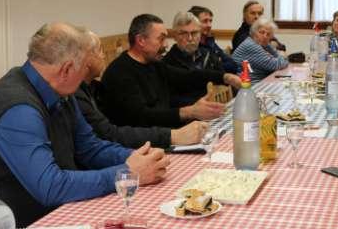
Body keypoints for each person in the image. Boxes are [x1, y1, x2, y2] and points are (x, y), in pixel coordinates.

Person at [0, 22, 170, 227]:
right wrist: (127, 172)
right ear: (67, 69)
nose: (84, 79)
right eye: (85, 67)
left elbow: (90, 148)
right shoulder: (17, 108)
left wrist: (135, 158)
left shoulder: (60, 90)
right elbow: (50, 187)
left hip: (60, 212)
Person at [101, 14, 241, 128]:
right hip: (141, 148)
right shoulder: (119, 73)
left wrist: (225, 77)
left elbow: (188, 76)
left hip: (166, 134)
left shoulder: (154, 64)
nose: (166, 45)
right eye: (161, 39)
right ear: (141, 41)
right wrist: (189, 112)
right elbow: (142, 117)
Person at [75, 30, 208, 149]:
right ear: (85, 58)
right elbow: (111, 133)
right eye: (99, 50)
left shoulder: (93, 88)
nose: (103, 56)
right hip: (129, 146)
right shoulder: (79, 94)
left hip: (135, 144)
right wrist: (173, 134)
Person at [163, 11, 229, 106]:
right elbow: (169, 100)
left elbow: (224, 82)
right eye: (183, 33)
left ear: (200, 34)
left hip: (216, 109)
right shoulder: (167, 63)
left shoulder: (208, 55)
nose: (190, 38)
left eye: (194, 33)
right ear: (175, 36)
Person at [232, 17, 289, 83]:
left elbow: (277, 58)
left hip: (259, 81)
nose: (265, 36)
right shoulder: (251, 45)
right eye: (261, 32)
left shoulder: (263, 44)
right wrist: (282, 56)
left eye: (268, 34)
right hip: (248, 86)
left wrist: (280, 58)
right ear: (254, 32)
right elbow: (276, 65)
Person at [188, 5, 238, 73]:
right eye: (205, 21)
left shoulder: (210, 42)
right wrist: (217, 63)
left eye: (210, 21)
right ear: (193, 23)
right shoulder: (190, 45)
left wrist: (216, 65)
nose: (209, 25)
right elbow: (201, 72)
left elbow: (233, 65)